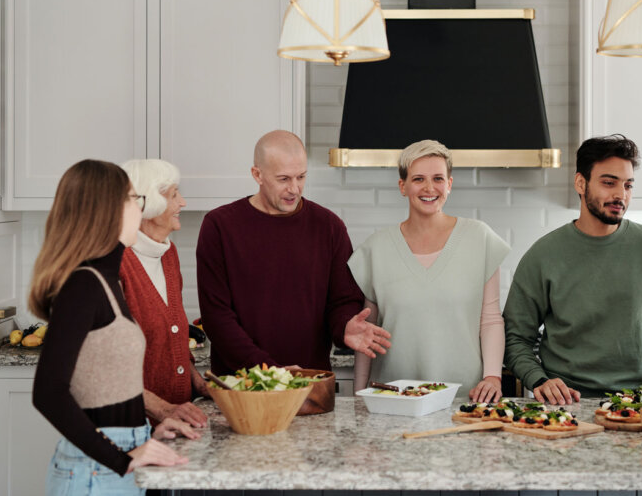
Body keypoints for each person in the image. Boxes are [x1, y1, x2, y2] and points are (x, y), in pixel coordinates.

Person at [31, 159, 198, 496]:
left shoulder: (102, 280)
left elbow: (109, 381)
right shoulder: (84, 284)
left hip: (115, 459)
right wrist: (122, 458)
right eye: (132, 199)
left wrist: (144, 433)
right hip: (95, 472)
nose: (140, 207)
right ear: (106, 210)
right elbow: (47, 393)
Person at [503, 135, 642, 405]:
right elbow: (515, 338)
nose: (621, 195)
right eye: (609, 183)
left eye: (628, 185)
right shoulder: (544, 255)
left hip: (639, 404)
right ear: (580, 183)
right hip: (566, 405)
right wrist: (539, 380)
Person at [196, 130, 391, 375]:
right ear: (257, 174)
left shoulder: (329, 227)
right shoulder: (219, 226)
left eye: (301, 177)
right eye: (283, 179)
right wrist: (271, 371)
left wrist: (344, 327)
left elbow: (342, 301)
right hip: (242, 387)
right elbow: (217, 318)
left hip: (309, 383)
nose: (294, 188)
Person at [349, 140, 511, 402]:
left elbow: (491, 319)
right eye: (418, 179)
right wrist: (358, 396)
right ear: (402, 186)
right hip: (392, 398)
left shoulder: (480, 238)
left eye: (438, 178)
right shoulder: (375, 249)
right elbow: (368, 334)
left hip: (464, 397)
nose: (429, 188)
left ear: (449, 184)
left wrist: (492, 376)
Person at [120, 159, 209, 429]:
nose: (182, 202)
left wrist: (199, 382)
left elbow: (173, 340)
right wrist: (162, 410)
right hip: (130, 429)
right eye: (173, 195)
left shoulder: (167, 254)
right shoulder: (113, 264)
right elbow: (104, 369)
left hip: (177, 423)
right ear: (147, 204)